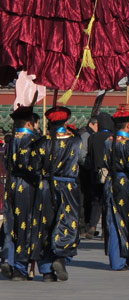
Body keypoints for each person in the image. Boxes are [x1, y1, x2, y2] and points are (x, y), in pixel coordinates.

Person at [34, 105, 86, 282]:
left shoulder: (42, 142)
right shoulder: (75, 140)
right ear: (66, 121)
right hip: (68, 187)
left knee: (45, 226)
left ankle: (47, 270)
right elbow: (82, 160)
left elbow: (35, 166)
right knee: (67, 223)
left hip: (46, 187)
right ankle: (60, 257)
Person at [1, 105, 39, 281]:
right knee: (26, 224)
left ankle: (8, 259)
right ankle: (20, 266)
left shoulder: (11, 141)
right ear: (30, 123)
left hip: (12, 184)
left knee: (12, 224)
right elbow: (32, 167)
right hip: (28, 186)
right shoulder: (32, 140)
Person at [103, 108, 129, 271]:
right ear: (127, 125)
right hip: (126, 184)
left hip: (111, 181)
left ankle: (119, 258)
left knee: (113, 219)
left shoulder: (108, 141)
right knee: (128, 221)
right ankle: (126, 257)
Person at [84, 113, 113, 240]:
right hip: (108, 172)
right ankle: (106, 231)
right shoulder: (112, 138)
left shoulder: (93, 137)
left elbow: (89, 155)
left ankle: (92, 226)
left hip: (95, 172)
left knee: (96, 201)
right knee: (107, 201)